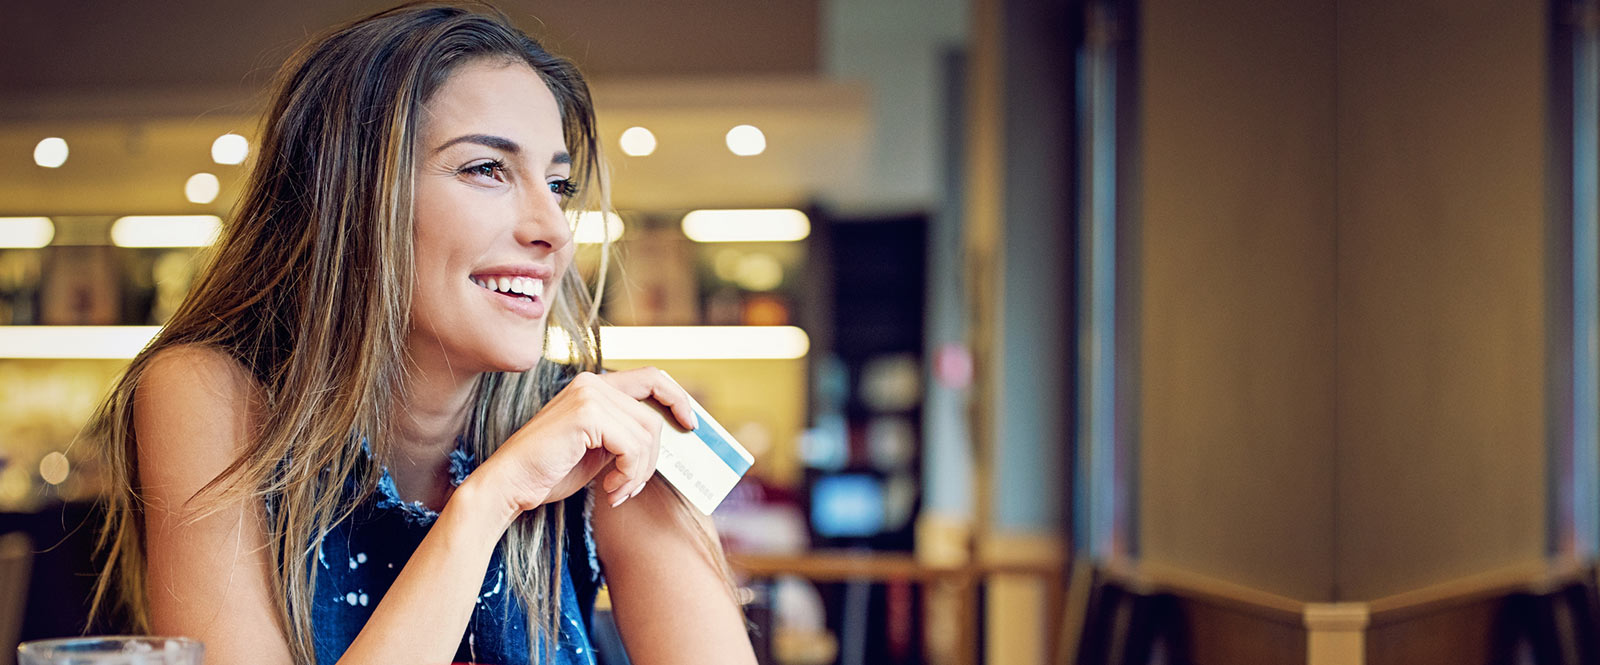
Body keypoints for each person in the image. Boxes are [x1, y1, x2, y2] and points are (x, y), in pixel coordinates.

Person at [84, 3, 757, 664]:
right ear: (351, 196)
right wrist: (491, 498)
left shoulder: (615, 440)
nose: (554, 227)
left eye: (558, 183)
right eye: (487, 169)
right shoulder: (211, 393)